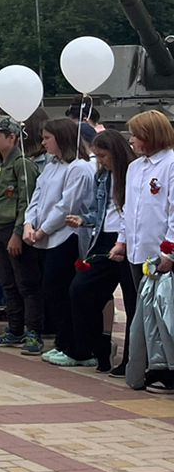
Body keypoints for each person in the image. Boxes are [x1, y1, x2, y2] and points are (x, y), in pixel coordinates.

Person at [60, 129, 134, 372]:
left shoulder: (132, 172)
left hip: (128, 240)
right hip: (103, 238)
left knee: (132, 301)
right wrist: (84, 219)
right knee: (80, 289)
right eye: (97, 156)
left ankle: (130, 359)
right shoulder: (101, 176)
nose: (100, 161)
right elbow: (98, 210)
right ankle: (98, 345)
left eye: (103, 156)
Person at [24, 117, 97, 359]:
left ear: (62, 138)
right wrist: (28, 223)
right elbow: (36, 196)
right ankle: (63, 341)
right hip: (44, 236)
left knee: (61, 290)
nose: (43, 142)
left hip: (65, 236)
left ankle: (73, 345)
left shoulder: (79, 167)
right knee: (51, 291)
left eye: (47, 138)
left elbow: (67, 205)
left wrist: (43, 230)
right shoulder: (51, 165)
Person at [116, 111, 174, 389]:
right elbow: (129, 209)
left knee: (164, 314)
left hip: (160, 253)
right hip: (137, 252)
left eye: (136, 135)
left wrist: (169, 250)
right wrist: (122, 240)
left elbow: (172, 211)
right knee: (141, 313)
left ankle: (168, 368)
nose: (131, 140)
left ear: (151, 136)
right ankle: (149, 364)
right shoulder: (135, 167)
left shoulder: (170, 164)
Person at [0, 114, 43, 353]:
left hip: (14, 229)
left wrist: (18, 233)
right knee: (7, 282)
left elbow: (26, 202)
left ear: (12, 137)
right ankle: (15, 329)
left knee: (26, 283)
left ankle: (33, 332)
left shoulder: (22, 164)